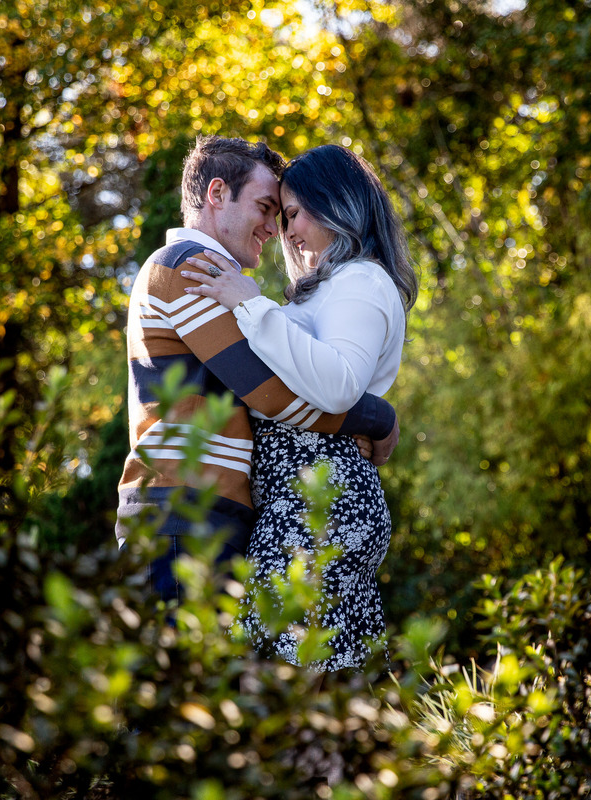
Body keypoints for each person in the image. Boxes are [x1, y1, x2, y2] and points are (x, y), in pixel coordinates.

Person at [115, 135, 400, 605]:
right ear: (217, 193)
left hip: (207, 513)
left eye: (282, 214)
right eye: (266, 208)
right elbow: (270, 394)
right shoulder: (187, 269)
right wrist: (376, 418)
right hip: (178, 514)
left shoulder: (219, 279)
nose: (274, 229)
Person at [179, 144, 417, 671]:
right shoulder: (327, 290)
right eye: (282, 217)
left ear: (338, 204)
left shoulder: (360, 280)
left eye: (294, 214)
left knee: (267, 681)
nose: (287, 232)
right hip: (303, 499)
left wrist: (250, 303)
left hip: (319, 501)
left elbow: (338, 385)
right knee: (312, 699)